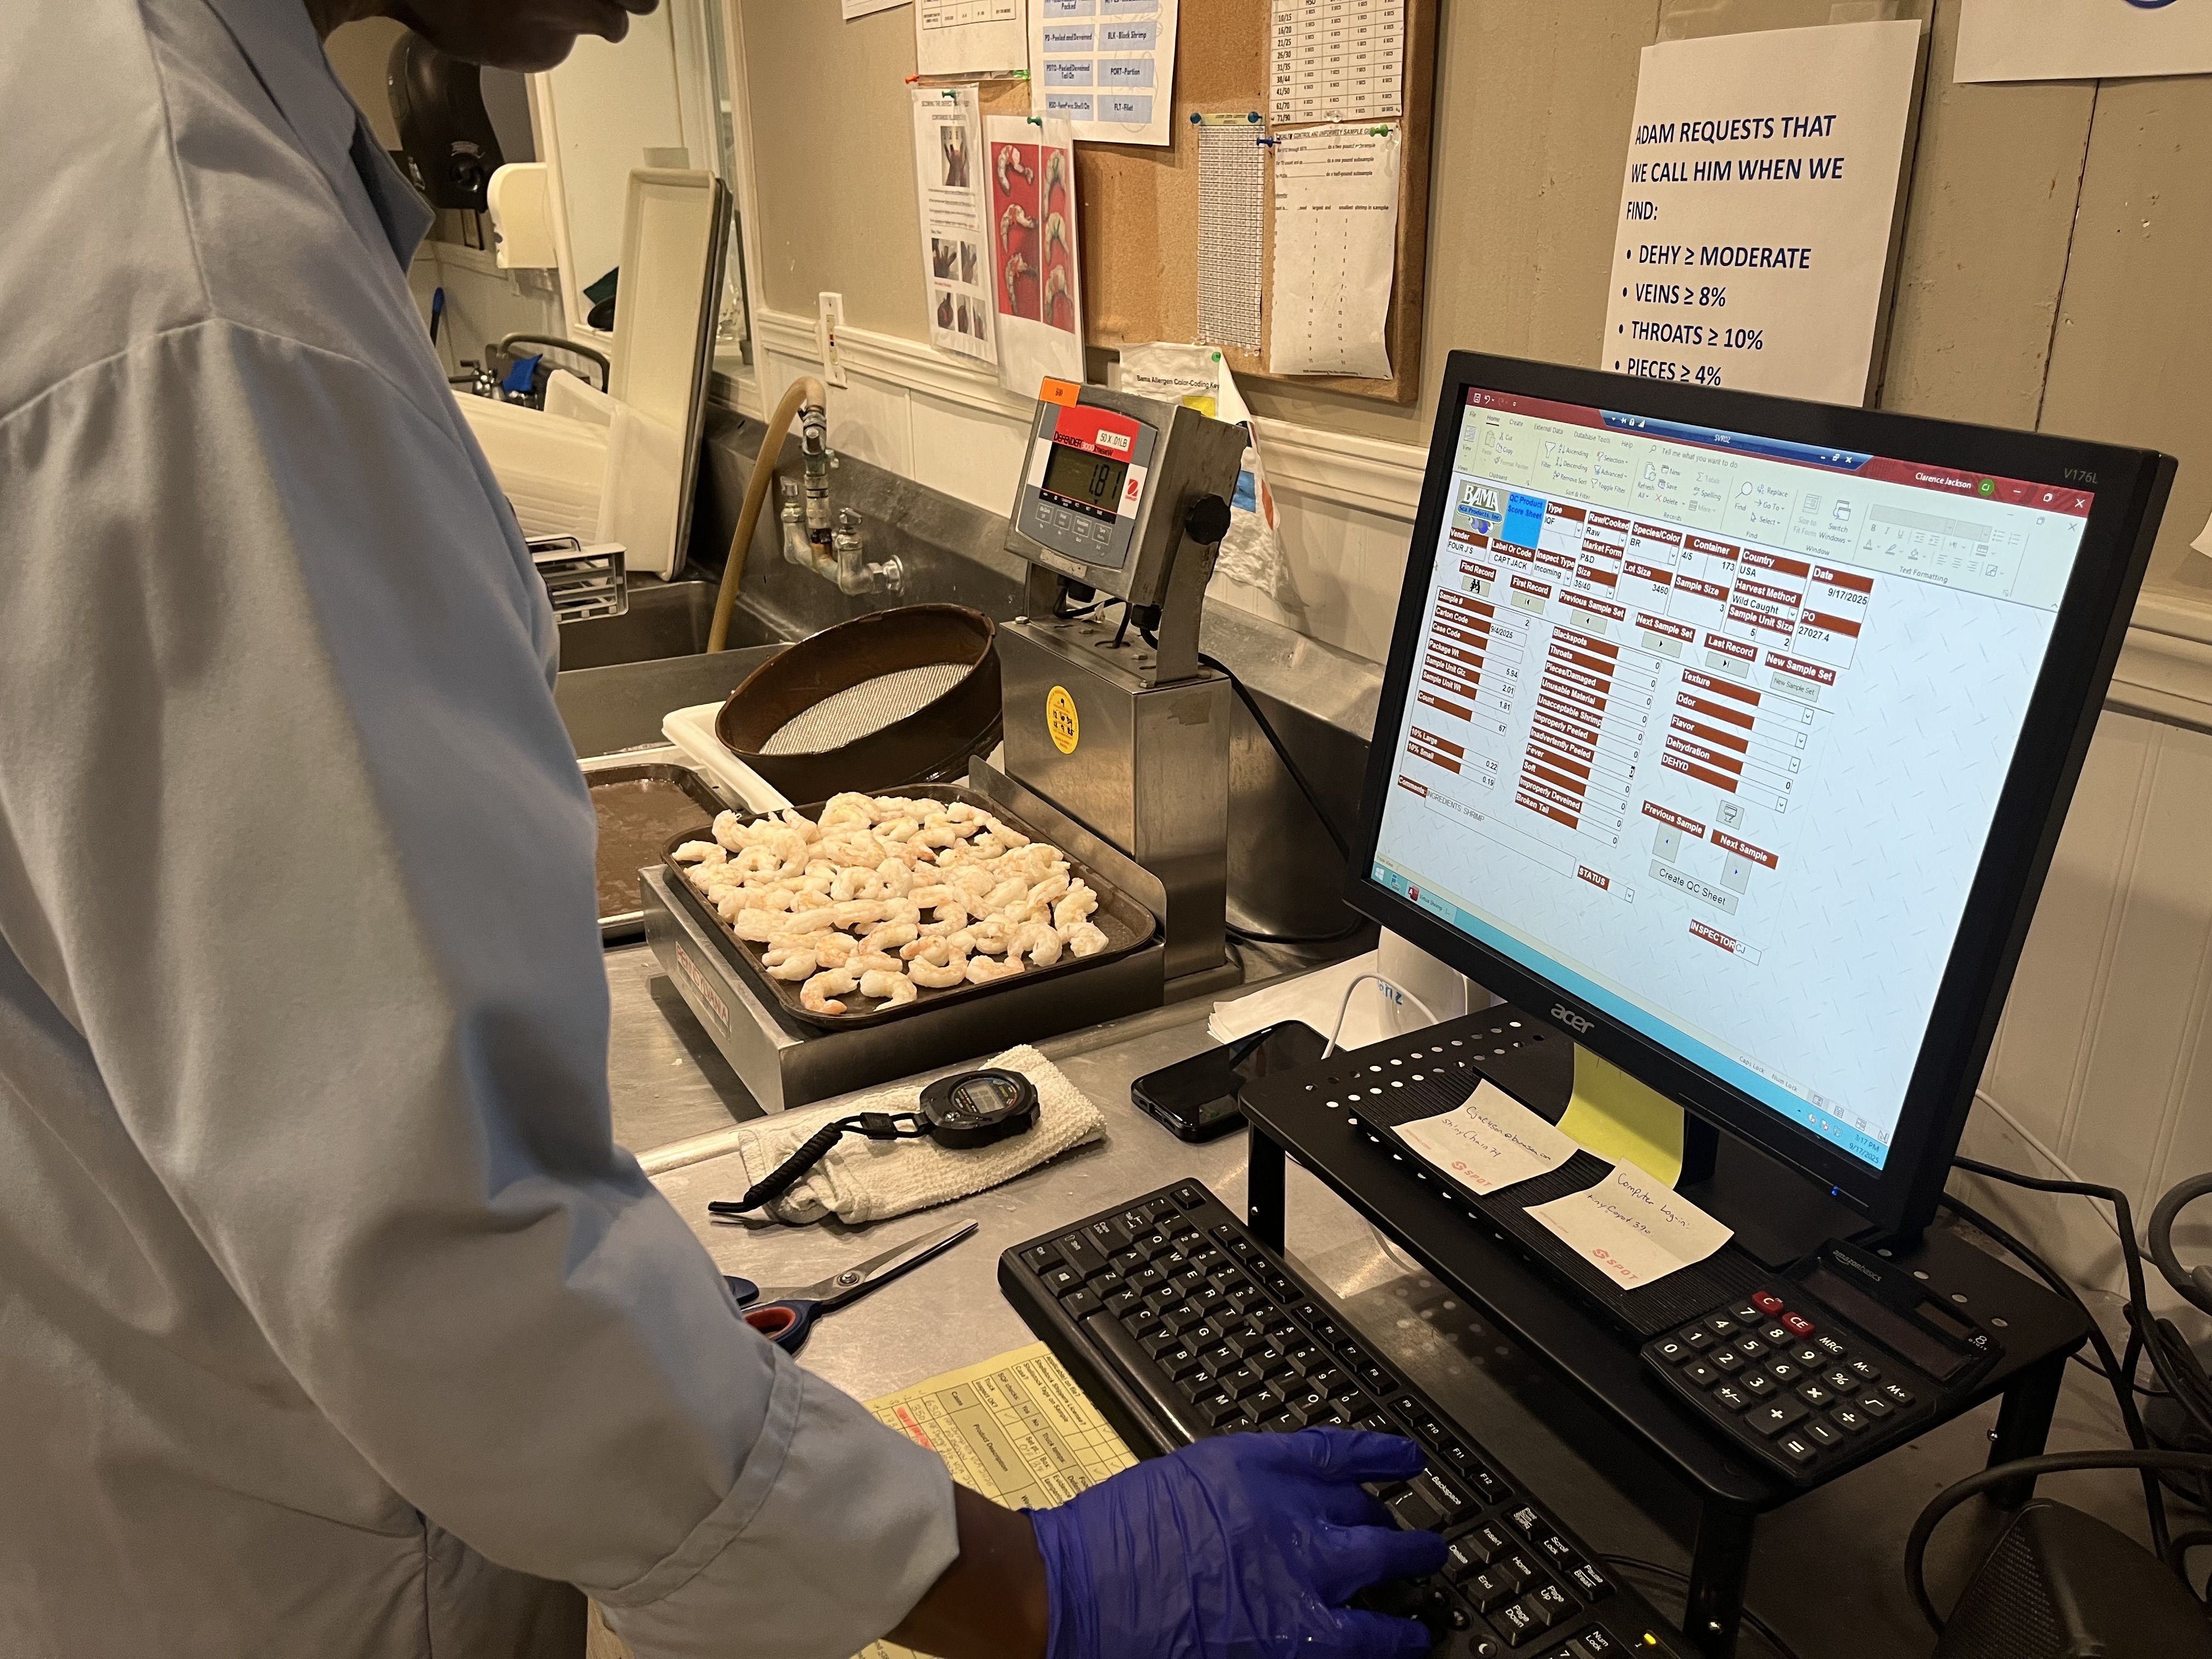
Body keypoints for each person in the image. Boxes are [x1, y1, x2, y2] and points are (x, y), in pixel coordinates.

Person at [0, 3, 1446, 1655]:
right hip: (269, 1552)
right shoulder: (198, 288)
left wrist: (670, 1347)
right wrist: (1036, 1590)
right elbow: (432, 1241)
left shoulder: (126, 124)